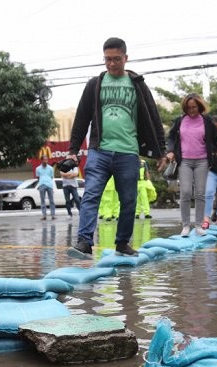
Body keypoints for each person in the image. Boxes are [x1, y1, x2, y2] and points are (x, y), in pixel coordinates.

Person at [66, 37, 167, 259]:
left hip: (128, 152)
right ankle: (84, 242)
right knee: (91, 195)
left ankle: (122, 243)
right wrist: (73, 149)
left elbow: (153, 116)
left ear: (125, 58)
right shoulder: (95, 84)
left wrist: (161, 150)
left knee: (129, 200)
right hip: (99, 150)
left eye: (116, 59)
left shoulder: (136, 84)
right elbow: (82, 118)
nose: (111, 64)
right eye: (107, 59)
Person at [166, 94, 217, 236]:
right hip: (184, 160)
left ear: (199, 107)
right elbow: (172, 137)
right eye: (189, 107)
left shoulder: (206, 121)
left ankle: (198, 226)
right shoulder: (180, 120)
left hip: (202, 161)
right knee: (185, 192)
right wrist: (170, 151)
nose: (191, 110)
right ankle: (185, 226)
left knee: (200, 193)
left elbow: (216, 139)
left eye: (194, 107)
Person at [35, 155, 56, 220]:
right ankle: (44, 215)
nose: (46, 161)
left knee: (51, 200)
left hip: (49, 185)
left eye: (47, 159)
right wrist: (41, 183)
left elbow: (52, 177)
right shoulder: (38, 169)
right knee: (42, 200)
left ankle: (53, 215)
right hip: (42, 185)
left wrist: (49, 183)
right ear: (42, 160)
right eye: (44, 159)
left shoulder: (50, 168)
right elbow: (38, 177)